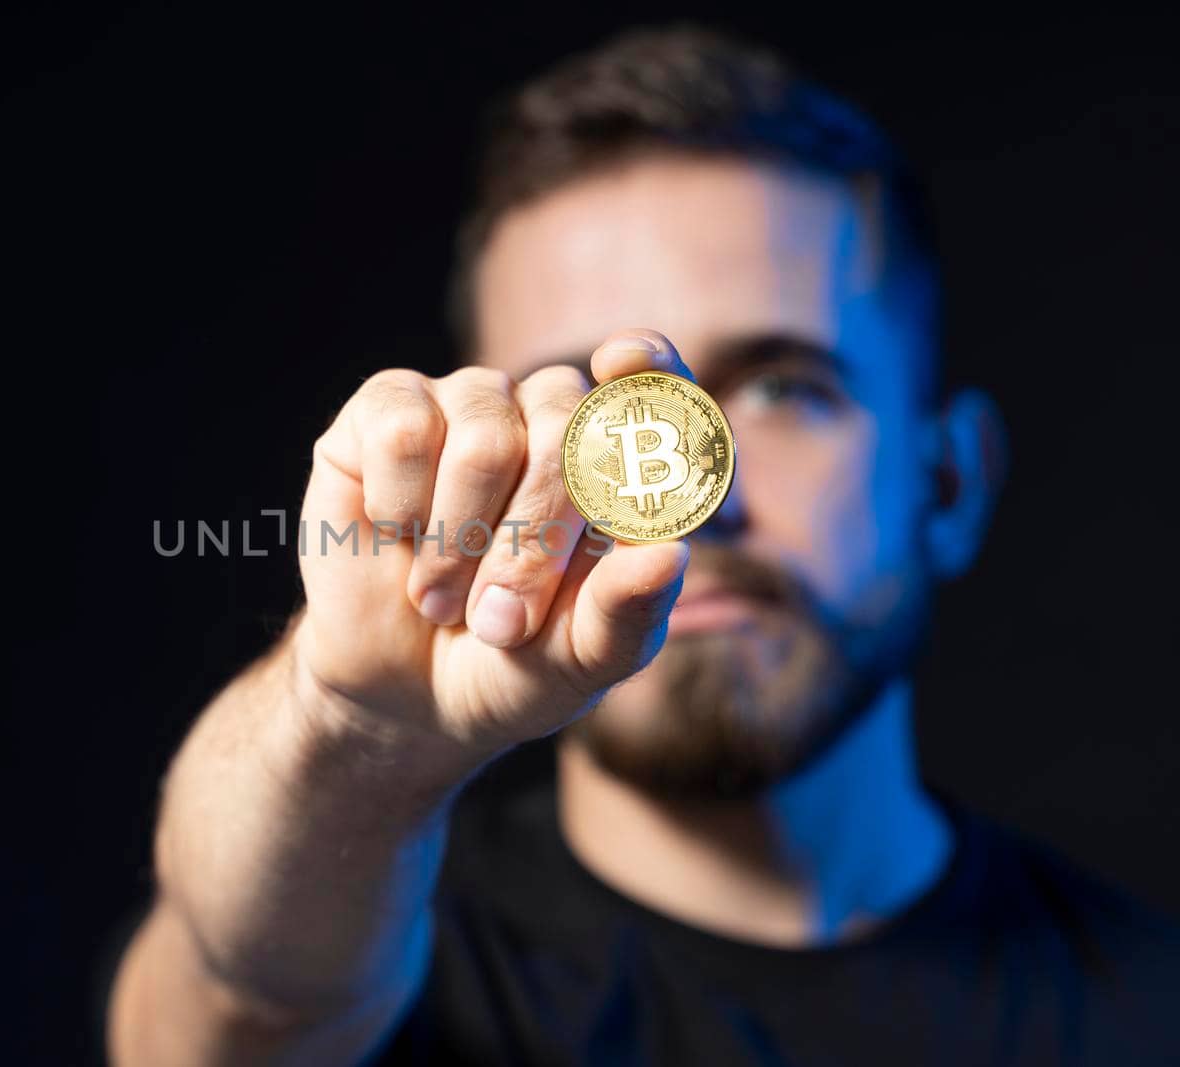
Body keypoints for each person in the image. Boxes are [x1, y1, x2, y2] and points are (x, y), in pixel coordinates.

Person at [105, 23, 1179, 1065]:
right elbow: (238, 1007)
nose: (690, 500)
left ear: (949, 481)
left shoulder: (1149, 1009)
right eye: (579, 402)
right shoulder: (377, 948)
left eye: (782, 387)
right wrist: (345, 727)